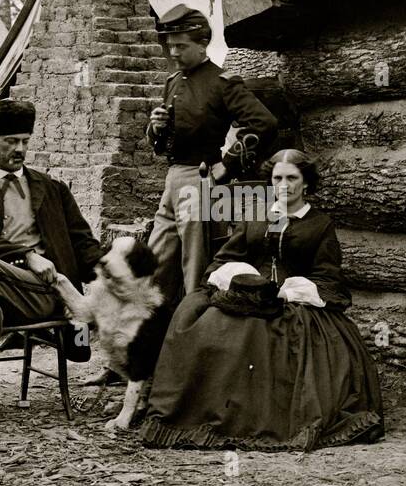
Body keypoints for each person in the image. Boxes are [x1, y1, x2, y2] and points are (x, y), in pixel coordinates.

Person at [139, 149, 383, 452]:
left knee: (268, 337)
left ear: (306, 183)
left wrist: (290, 291)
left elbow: (328, 278)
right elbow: (225, 258)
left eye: (292, 178)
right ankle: (206, 412)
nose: (284, 185)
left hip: (296, 304)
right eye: (277, 178)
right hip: (246, 296)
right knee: (198, 318)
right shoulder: (256, 215)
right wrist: (240, 278)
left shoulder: (320, 225)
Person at [0, 99, 102, 442]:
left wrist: (110, 270)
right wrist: (26, 255)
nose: (20, 149)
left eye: (25, 141)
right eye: (11, 141)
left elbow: (83, 242)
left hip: (43, 293)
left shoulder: (52, 189)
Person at [145, 4, 278, 300]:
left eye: (181, 46)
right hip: (173, 178)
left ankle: (195, 326)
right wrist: (157, 127)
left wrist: (227, 164)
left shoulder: (222, 83)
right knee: (157, 260)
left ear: (202, 43)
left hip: (201, 179)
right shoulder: (172, 82)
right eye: (171, 46)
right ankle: (154, 332)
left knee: (194, 264)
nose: (174, 53)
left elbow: (264, 122)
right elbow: (162, 144)